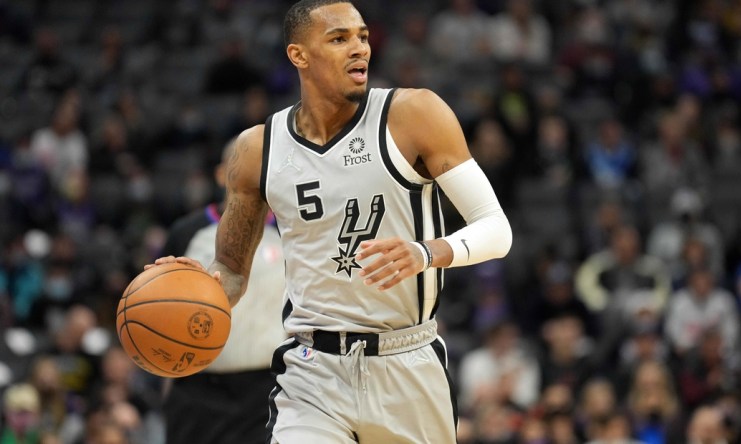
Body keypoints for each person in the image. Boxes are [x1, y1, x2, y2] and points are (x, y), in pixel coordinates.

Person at [148, 0, 512, 442]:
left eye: (362, 36)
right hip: (311, 369)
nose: (359, 48)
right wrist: (194, 288)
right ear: (298, 55)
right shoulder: (257, 151)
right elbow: (231, 273)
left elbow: (496, 228)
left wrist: (426, 252)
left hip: (406, 360)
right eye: (339, 39)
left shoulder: (414, 115)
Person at [159, 140, 286, 444]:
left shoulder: (289, 230)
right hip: (197, 386)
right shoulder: (186, 232)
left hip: (268, 387)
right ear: (220, 175)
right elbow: (160, 310)